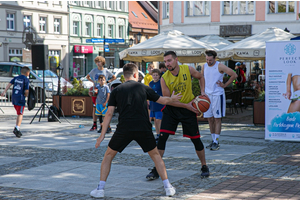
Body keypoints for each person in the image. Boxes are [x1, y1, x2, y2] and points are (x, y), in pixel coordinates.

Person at [90, 63, 182, 198]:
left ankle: (100, 189)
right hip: (143, 128)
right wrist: (172, 99)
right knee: (156, 156)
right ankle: (168, 187)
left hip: (124, 129)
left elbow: (109, 113)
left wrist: (102, 135)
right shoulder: (145, 88)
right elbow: (162, 100)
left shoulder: (116, 90)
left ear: (125, 75)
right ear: (135, 75)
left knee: (108, 156)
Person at [146, 51, 210, 180]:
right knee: (162, 138)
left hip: (189, 109)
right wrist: (186, 105)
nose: (167, 63)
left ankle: (204, 166)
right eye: (165, 61)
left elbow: (201, 77)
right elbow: (168, 100)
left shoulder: (188, 69)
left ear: (176, 60)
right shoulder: (164, 78)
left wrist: (202, 92)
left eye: (169, 60)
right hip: (172, 109)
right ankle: (156, 169)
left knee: (196, 139)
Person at [202, 50, 237, 151]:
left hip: (218, 94)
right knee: (209, 118)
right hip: (207, 95)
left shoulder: (220, 66)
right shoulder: (204, 66)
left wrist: (225, 85)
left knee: (217, 118)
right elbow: (202, 78)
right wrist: (202, 91)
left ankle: (216, 141)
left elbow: (234, 75)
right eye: (207, 60)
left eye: (210, 60)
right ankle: (213, 140)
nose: (208, 62)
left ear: (215, 58)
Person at [86, 56, 116, 132]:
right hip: (96, 91)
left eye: (99, 62)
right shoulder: (94, 70)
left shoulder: (106, 71)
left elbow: (114, 77)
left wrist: (108, 82)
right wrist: (93, 82)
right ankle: (95, 124)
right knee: (95, 107)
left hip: (104, 92)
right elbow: (88, 76)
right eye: (96, 62)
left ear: (102, 62)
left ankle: (106, 126)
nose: (97, 63)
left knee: (104, 109)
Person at [1, 66, 30, 138]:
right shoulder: (26, 79)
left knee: (18, 113)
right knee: (20, 113)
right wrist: (26, 96)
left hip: (14, 98)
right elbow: (26, 90)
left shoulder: (16, 78)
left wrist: (4, 91)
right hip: (20, 98)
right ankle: (17, 128)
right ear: (27, 73)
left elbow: (9, 84)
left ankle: (17, 127)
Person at [149, 69, 164, 143]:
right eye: (154, 75)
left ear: (159, 75)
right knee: (154, 119)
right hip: (152, 103)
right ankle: (157, 134)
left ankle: (161, 134)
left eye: (156, 75)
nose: (155, 76)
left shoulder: (161, 82)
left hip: (159, 103)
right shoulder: (150, 83)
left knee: (159, 119)